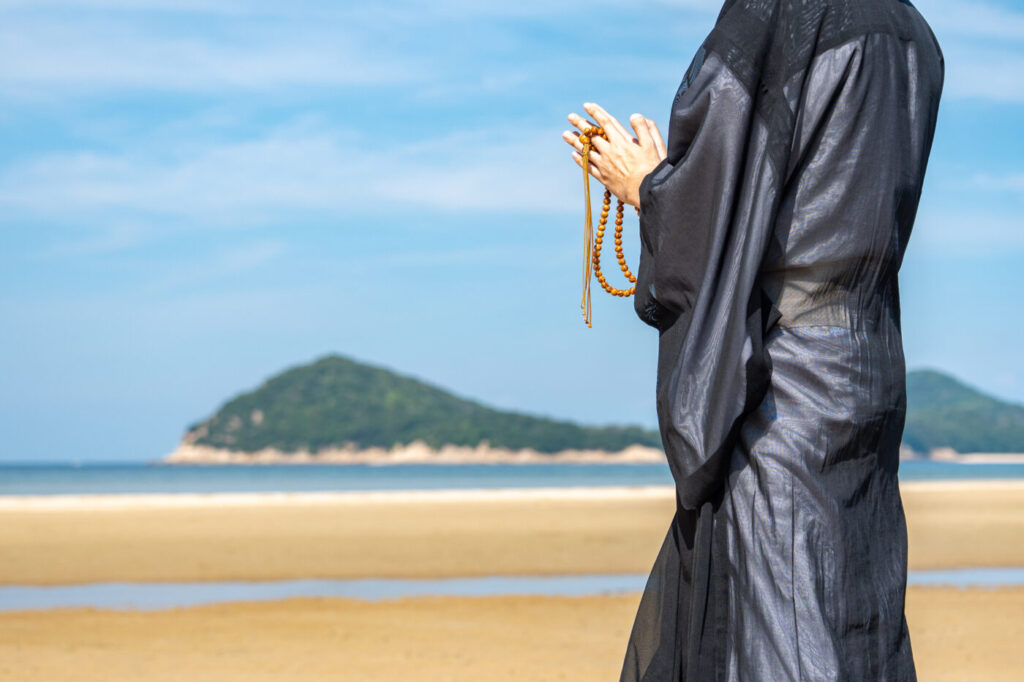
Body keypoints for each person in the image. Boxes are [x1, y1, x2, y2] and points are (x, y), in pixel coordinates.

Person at [561, 0, 943, 679]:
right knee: (852, 613)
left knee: (778, 621)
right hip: (869, 364)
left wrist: (646, 186)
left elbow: (720, 190)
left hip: (785, 383)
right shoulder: (915, 36)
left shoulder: (782, 12)